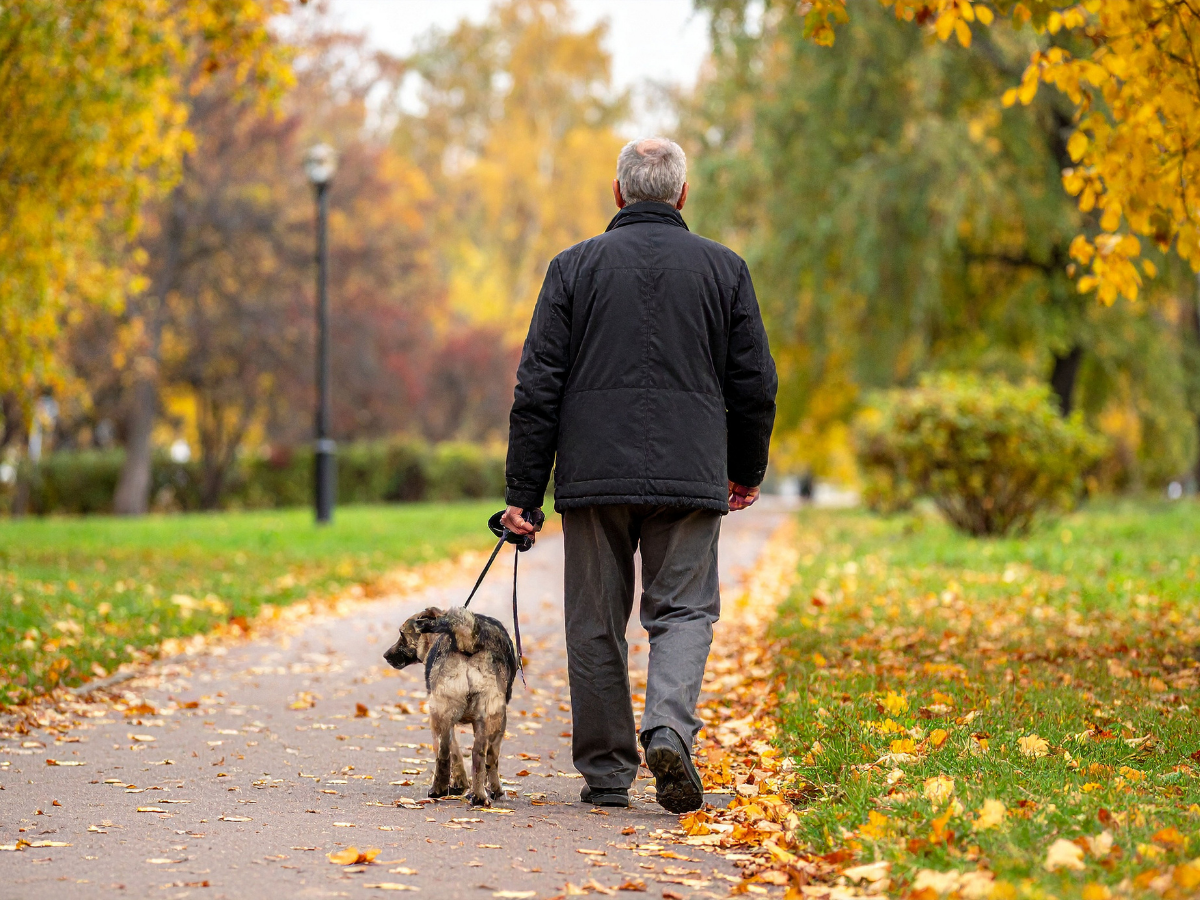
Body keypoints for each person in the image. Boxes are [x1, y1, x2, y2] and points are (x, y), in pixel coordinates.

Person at [500, 137, 777, 813]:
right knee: (684, 611)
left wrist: (523, 496)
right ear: (682, 194)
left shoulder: (573, 267)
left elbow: (538, 385)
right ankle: (669, 729)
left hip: (594, 475)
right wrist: (744, 468)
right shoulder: (724, 269)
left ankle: (606, 773)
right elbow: (754, 382)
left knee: (594, 620)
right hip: (690, 472)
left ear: (619, 192)